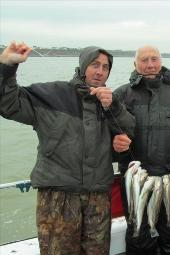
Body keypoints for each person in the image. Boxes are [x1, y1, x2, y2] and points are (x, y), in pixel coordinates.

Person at [0, 41, 135, 255]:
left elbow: (130, 131)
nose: (100, 71)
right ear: (82, 65)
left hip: (98, 197)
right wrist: (7, 67)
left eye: (105, 67)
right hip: (58, 197)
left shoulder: (110, 102)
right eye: (94, 64)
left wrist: (117, 123)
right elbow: (8, 104)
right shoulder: (52, 94)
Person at [112, 45, 170, 255]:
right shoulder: (121, 95)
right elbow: (105, 138)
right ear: (135, 64)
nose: (150, 65)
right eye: (144, 60)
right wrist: (114, 145)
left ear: (161, 61)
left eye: (154, 59)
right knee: (139, 238)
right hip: (136, 182)